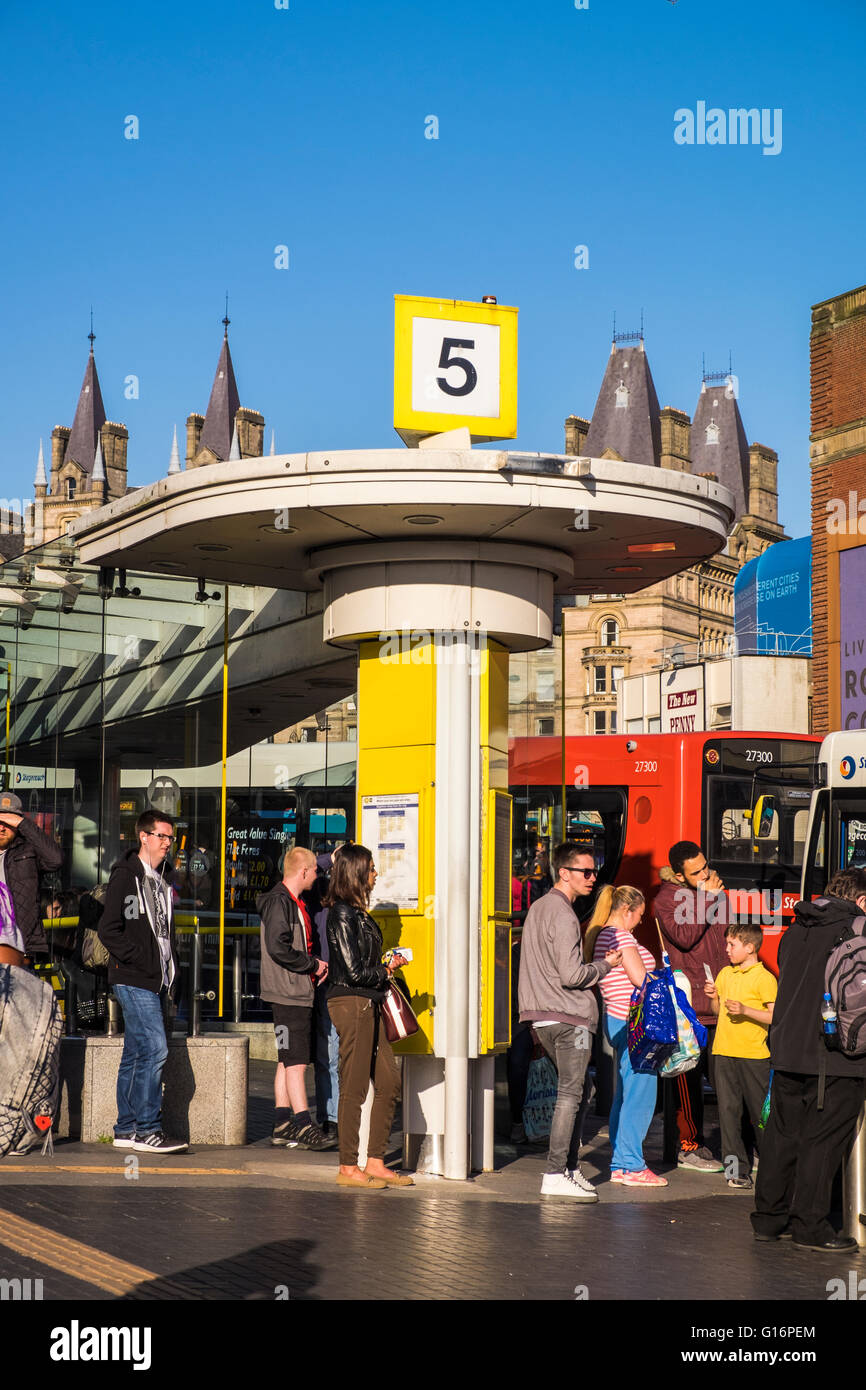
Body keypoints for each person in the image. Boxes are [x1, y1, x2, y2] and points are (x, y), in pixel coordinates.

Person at [751, 867, 866, 1251]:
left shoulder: (795, 928)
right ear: (861, 900)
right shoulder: (857, 928)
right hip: (834, 1055)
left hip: (786, 1049)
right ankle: (811, 1226)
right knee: (823, 1140)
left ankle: (768, 1220)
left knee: (781, 1138)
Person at [518, 842, 621, 1200]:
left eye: (595, 872)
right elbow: (572, 975)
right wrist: (607, 964)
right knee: (570, 1095)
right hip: (568, 1016)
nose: (593, 878)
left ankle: (570, 1169)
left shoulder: (539, 908)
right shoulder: (562, 913)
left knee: (581, 1092)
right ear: (564, 872)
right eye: (585, 872)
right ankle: (555, 1172)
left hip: (544, 1016)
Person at [97, 809, 187, 1153]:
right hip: (134, 977)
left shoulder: (161, 879)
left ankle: (126, 1129)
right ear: (144, 837)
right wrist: (138, 958)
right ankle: (148, 1128)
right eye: (161, 836)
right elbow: (109, 929)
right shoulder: (126, 875)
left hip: (156, 979)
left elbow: (163, 934)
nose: (167, 843)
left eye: (170, 837)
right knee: (155, 1049)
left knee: (135, 1054)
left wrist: (167, 968)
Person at [325, 843, 414, 1189]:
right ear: (357, 873)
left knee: (390, 1081)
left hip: (369, 1000)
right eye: (372, 869)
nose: (377, 875)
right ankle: (348, 1166)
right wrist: (387, 967)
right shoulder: (343, 914)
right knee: (355, 1085)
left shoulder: (359, 913)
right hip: (352, 1001)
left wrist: (384, 966)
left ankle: (375, 1160)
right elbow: (353, 971)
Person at [655, 839, 728, 1173]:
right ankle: (689, 1145)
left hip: (719, 1000)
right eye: (696, 872)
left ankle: (738, 1146)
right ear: (680, 876)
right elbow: (684, 937)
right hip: (690, 1005)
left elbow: (727, 937)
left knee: (729, 1080)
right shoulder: (666, 900)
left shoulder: (713, 891)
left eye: (705, 866)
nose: (705, 874)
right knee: (688, 1079)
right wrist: (709, 899)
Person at [586, 884, 666, 1186]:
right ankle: (632, 1165)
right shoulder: (620, 935)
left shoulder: (602, 933)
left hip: (616, 1019)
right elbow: (638, 978)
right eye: (640, 915)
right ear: (627, 910)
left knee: (625, 1094)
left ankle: (621, 1164)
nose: (641, 921)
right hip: (636, 1021)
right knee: (641, 1094)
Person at [258, 846, 336, 1151]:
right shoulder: (281, 903)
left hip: (292, 990)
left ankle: (282, 1123)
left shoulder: (289, 901)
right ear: (302, 872)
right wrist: (312, 964)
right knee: (297, 1063)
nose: (317, 875)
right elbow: (279, 947)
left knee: (286, 1059)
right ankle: (305, 1125)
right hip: (289, 992)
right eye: (314, 871)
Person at [703, 922, 776, 1190]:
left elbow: (774, 1015)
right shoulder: (725, 974)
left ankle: (773, 1168)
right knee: (728, 1114)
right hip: (723, 1052)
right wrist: (713, 997)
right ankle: (735, 1170)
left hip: (754, 1056)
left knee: (761, 1115)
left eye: (732, 944)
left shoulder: (765, 978)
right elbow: (717, 1011)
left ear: (750, 947)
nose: (727, 949)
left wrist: (746, 1010)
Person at [0, 792, 63, 967]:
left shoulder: (27, 850)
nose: (2, 828)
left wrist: (23, 824)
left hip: (21, 948)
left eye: (8, 823)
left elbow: (55, 860)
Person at [305, 847, 341, 1141]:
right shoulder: (316, 892)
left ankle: (338, 1114)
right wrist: (332, 857)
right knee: (327, 1052)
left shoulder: (354, 897)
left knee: (337, 1052)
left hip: (347, 982)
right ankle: (331, 1116)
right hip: (326, 981)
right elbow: (303, 868)